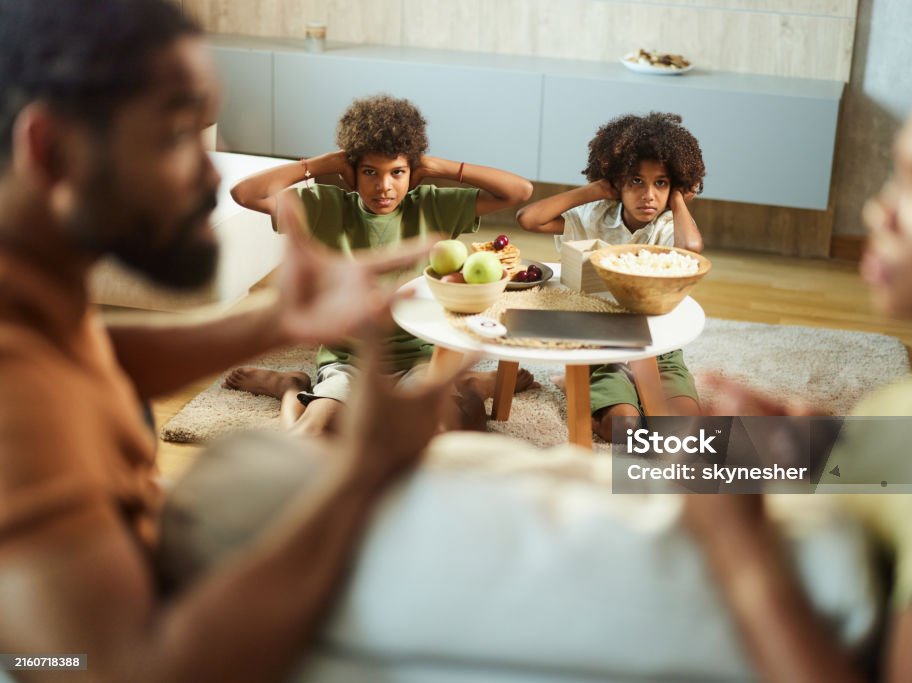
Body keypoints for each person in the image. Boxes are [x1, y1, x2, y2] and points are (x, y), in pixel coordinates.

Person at [0, 1, 460, 680]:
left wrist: (274, 322)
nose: (214, 175)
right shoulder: (18, 404)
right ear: (52, 149)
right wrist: (364, 473)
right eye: (175, 135)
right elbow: (110, 671)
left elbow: (87, 360)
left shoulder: (33, 293)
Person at [685, 2, 912, 680]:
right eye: (896, 172)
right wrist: (816, 444)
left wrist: (737, 544)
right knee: (640, 455)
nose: (880, 211)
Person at [225, 94, 537, 435]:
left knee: (444, 430)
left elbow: (518, 192)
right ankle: (290, 385)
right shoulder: (323, 207)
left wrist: (437, 166)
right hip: (348, 361)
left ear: (412, 173)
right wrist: (323, 164)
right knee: (314, 433)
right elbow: (245, 194)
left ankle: (473, 385)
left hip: (418, 356)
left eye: (397, 172)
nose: (383, 186)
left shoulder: (432, 205)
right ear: (351, 174)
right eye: (370, 172)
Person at [516, 112, 706, 441]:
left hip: (658, 348)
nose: (649, 194)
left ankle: (604, 395)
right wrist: (594, 190)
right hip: (606, 345)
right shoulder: (596, 217)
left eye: (660, 182)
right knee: (625, 429)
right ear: (617, 182)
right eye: (636, 181)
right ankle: (585, 395)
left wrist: (676, 198)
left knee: (683, 428)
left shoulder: (667, 224)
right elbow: (529, 218)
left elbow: (692, 250)